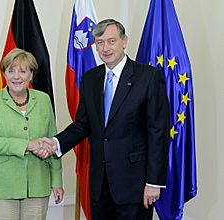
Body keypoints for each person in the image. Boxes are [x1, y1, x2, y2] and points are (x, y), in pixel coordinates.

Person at [36, 19, 170, 220]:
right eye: (100, 42)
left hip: (135, 185)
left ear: (124, 41)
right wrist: (56, 143)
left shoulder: (149, 77)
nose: (105, 48)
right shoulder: (91, 79)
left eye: (111, 41)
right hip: (99, 185)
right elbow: (83, 124)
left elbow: (158, 132)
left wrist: (153, 182)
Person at [0, 48, 63, 220]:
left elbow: (52, 140)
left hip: (38, 186)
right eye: (11, 70)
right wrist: (29, 145)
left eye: (23, 71)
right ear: (4, 74)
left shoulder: (43, 99)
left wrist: (56, 180)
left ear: (31, 75)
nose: (16, 76)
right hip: (1, 187)